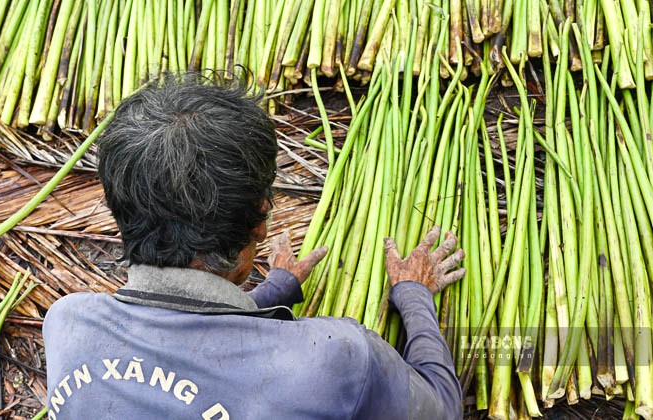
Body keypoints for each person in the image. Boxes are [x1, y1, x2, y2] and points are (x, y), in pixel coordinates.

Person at [43, 74, 466, 419]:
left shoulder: (68, 325)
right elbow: (442, 409)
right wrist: (414, 294)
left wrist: (275, 290)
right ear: (261, 219)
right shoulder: (339, 360)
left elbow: (181, 359)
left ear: (117, 210)